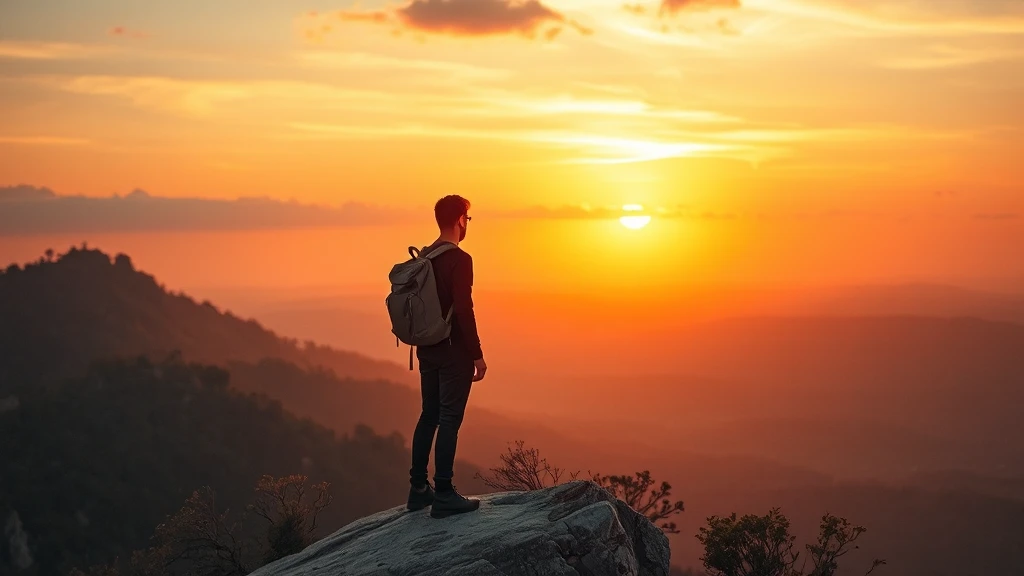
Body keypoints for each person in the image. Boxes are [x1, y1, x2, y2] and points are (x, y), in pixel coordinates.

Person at [407, 195, 488, 519]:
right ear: (459, 220)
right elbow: (464, 310)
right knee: (450, 420)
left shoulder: (425, 257)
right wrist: (477, 354)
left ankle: (417, 489)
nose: (467, 224)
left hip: (426, 349)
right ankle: (444, 493)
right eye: (468, 218)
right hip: (454, 349)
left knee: (429, 415)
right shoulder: (459, 259)